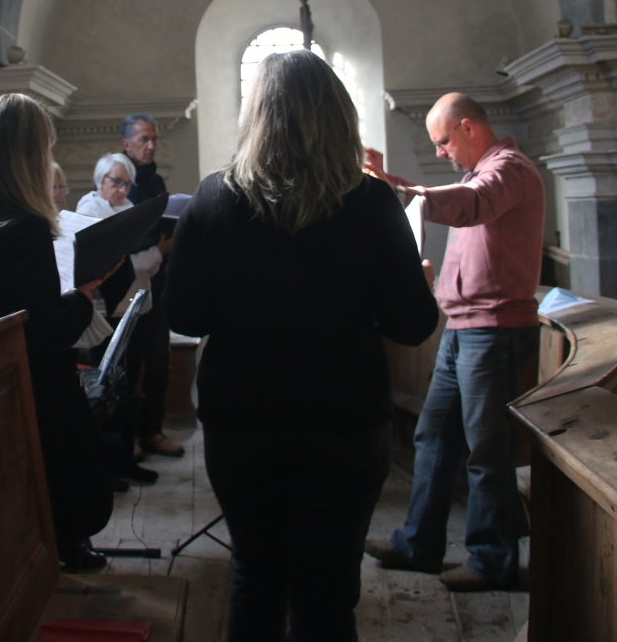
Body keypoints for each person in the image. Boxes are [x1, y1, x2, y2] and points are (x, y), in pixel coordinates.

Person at [167, 49, 438, 641]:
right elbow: (415, 323)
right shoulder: (371, 203)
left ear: (256, 117)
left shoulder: (213, 199)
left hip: (242, 422)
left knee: (255, 575)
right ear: (337, 116)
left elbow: (184, 314)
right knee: (327, 595)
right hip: (343, 421)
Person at [364, 92, 545, 592]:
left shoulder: (509, 170)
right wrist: (390, 184)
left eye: (443, 142)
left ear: (468, 127)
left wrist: (398, 192)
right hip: (463, 328)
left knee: (487, 449)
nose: (441, 152)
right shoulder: (477, 174)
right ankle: (418, 545)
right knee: (435, 437)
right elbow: (452, 197)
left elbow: (473, 205)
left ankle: (492, 561)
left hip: (496, 330)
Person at [0, 93, 120, 572]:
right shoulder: (24, 226)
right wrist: (82, 296)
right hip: (27, 388)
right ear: (31, 154)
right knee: (67, 481)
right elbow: (43, 332)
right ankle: (63, 548)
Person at [119, 113, 183, 457]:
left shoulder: (156, 181)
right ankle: (127, 436)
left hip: (157, 282)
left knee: (159, 360)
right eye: (144, 139)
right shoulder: (119, 180)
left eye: (154, 138)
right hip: (128, 286)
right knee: (129, 365)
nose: (151, 145)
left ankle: (152, 431)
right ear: (126, 144)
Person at [76, 153, 169, 318]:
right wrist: (156, 253)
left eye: (127, 184)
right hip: (110, 307)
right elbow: (108, 265)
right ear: (100, 179)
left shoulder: (129, 206)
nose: (123, 190)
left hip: (140, 300)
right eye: (117, 182)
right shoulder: (88, 212)